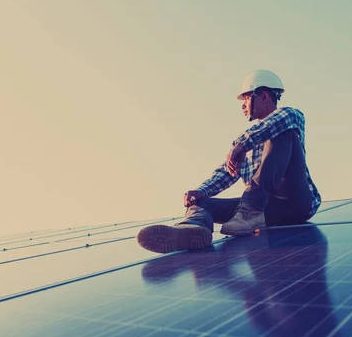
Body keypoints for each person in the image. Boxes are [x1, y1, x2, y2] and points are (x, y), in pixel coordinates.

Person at [137, 70, 321, 253]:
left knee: (282, 134)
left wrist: (241, 145)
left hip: (295, 203)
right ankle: (191, 229)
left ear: (264, 96)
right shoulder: (246, 146)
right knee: (202, 203)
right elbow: (226, 173)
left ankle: (251, 208)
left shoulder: (290, 116)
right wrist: (201, 192)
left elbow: (280, 121)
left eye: (247, 98)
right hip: (265, 212)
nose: (243, 106)